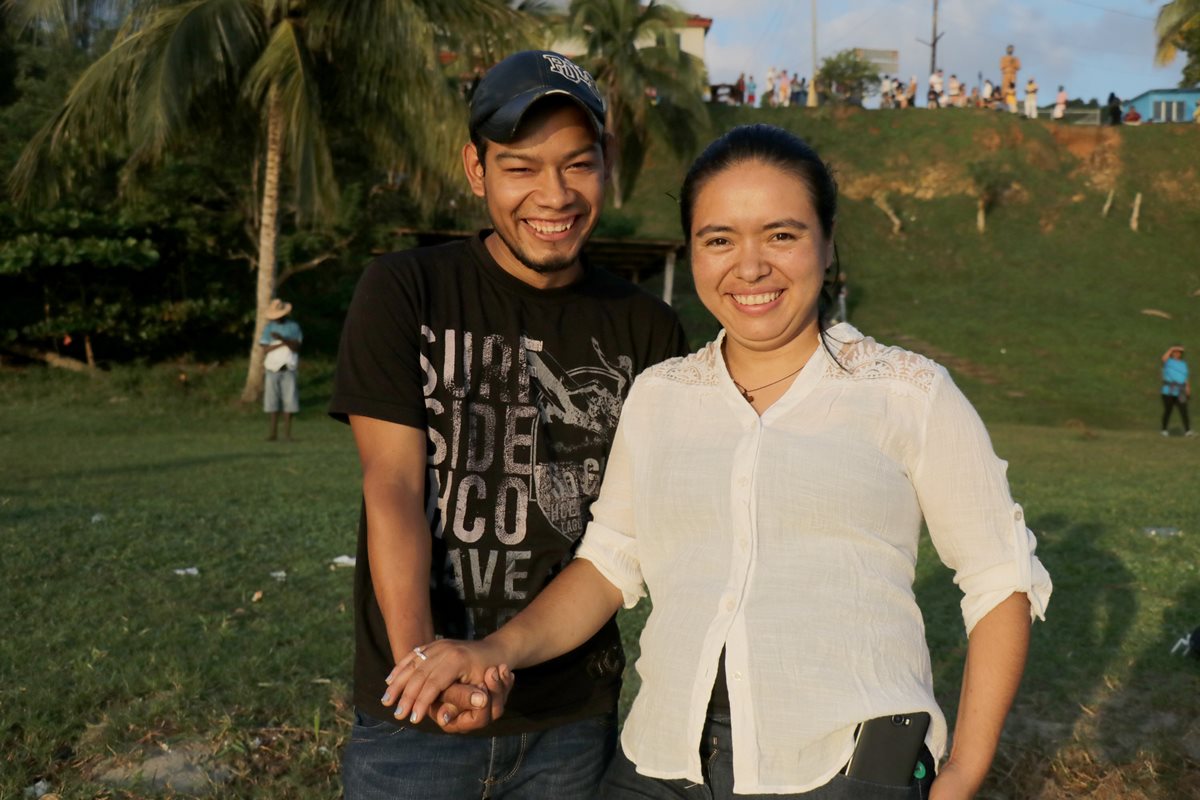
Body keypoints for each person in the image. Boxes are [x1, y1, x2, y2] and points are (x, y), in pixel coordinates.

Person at [389, 124, 1053, 800]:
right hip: (661, 761)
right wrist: (493, 649)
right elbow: (609, 564)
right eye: (720, 240)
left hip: (840, 765)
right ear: (695, 252)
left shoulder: (907, 392)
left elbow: (1000, 578)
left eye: (782, 235)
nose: (751, 266)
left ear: (827, 243)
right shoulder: (661, 394)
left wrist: (963, 773)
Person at [329, 49, 688, 799]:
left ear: (606, 163)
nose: (552, 195)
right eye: (521, 167)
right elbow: (391, 484)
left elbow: (627, 539)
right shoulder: (406, 290)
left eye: (576, 164)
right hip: (411, 719)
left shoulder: (650, 329)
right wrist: (425, 665)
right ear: (476, 168)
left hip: (569, 718)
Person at [260, 298, 302, 441]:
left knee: (289, 402)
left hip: (288, 368)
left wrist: (281, 339)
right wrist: (281, 343)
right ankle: (273, 433)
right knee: (272, 402)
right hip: (272, 368)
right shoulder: (268, 328)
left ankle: (287, 434)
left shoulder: (293, 327)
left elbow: (296, 347)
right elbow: (265, 348)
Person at [1161, 345, 1192, 437]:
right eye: (1174, 352)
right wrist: (1171, 348)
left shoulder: (1183, 364)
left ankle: (1188, 431)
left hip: (1181, 391)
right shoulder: (1168, 362)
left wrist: (1188, 387)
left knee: (1184, 410)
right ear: (1171, 353)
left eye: (1178, 352)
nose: (1176, 353)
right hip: (1168, 391)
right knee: (1168, 410)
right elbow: (1163, 358)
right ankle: (1164, 429)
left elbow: (1185, 377)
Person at [1000, 44, 1020, 111]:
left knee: (1012, 89)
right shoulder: (1003, 58)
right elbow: (1002, 67)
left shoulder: (1015, 59)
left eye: (1012, 49)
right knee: (1004, 89)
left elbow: (1018, 67)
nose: (1010, 50)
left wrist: (1013, 62)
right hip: (1006, 74)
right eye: (1009, 49)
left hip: (1013, 74)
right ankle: (1004, 104)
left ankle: (1012, 104)